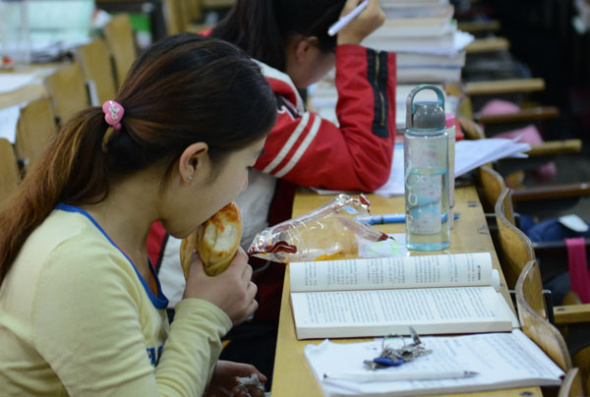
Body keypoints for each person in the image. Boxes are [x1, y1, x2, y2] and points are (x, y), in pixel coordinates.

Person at [0, 34, 277, 396]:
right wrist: (205, 315)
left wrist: (195, 373)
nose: (242, 186)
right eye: (247, 166)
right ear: (193, 162)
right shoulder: (77, 264)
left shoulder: (119, 232)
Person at [151, 0, 397, 384]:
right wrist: (355, 43)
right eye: (334, 61)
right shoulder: (250, 100)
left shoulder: (210, 57)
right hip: (187, 312)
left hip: (193, 300)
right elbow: (366, 163)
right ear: (305, 48)